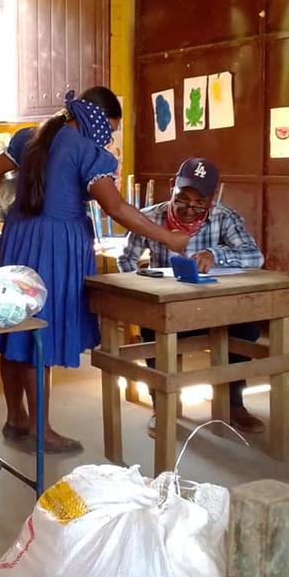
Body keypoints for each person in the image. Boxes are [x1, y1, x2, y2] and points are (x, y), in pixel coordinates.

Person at [0, 88, 189, 453]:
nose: (107, 137)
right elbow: (117, 208)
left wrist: (21, 206)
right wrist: (168, 238)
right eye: (108, 128)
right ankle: (41, 430)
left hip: (18, 236)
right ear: (94, 117)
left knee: (16, 327)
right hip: (55, 247)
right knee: (39, 334)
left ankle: (17, 418)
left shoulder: (30, 136)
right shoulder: (85, 150)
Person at [117, 157, 267, 435]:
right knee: (153, 329)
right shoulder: (149, 218)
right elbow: (125, 261)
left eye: (200, 202)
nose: (190, 208)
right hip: (169, 310)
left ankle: (233, 403)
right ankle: (162, 406)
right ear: (172, 187)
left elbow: (255, 256)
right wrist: (143, 289)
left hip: (215, 308)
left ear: (212, 198)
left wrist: (215, 254)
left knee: (246, 327)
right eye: (183, 198)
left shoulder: (223, 217)